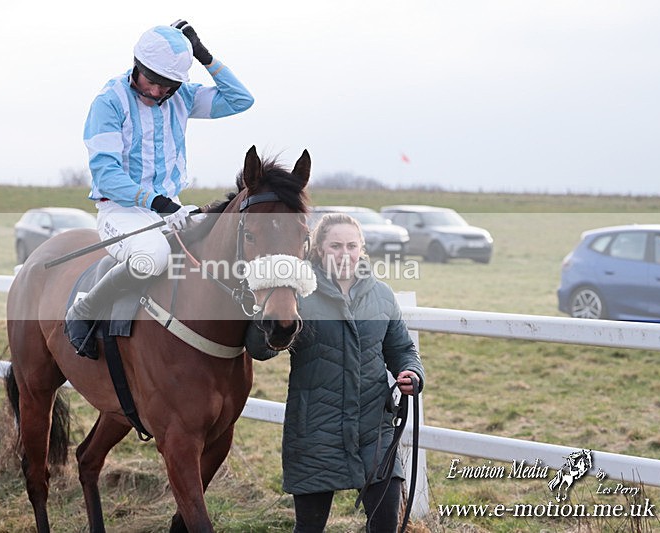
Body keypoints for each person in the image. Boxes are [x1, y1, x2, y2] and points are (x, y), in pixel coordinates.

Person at [66, 20, 254, 358]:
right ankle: (83, 311)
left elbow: (241, 99)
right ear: (136, 66)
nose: (156, 92)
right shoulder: (109, 101)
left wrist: (204, 56)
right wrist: (160, 203)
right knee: (152, 258)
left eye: (166, 86)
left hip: (170, 207)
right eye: (151, 81)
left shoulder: (182, 96)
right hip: (121, 211)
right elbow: (106, 175)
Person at [245, 213, 425, 532]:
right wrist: (268, 309)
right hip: (315, 432)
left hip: (374, 430)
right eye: (336, 246)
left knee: (385, 527)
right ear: (318, 249)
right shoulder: (297, 292)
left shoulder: (382, 295)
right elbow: (259, 350)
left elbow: (401, 350)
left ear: (362, 249)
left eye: (352, 246)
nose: (345, 254)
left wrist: (411, 373)